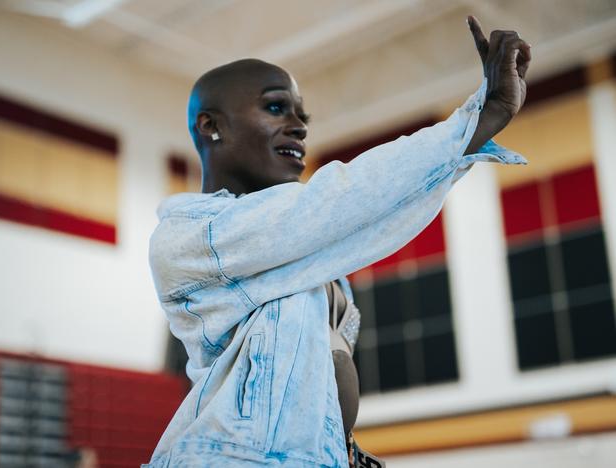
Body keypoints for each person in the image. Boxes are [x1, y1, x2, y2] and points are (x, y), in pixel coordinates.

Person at [145, 16, 530, 468]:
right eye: (276, 108)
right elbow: (346, 197)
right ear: (212, 127)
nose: (299, 127)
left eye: (302, 116)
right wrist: (481, 118)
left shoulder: (308, 256)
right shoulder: (193, 237)